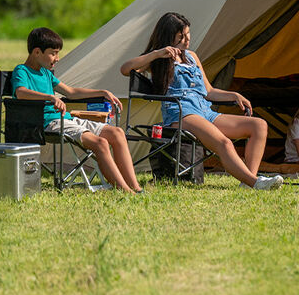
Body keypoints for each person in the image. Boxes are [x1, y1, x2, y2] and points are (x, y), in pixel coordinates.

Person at [119, 12, 281, 191]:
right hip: (182, 113)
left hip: (204, 110)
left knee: (259, 125)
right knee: (224, 143)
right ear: (168, 37)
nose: (187, 40)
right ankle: (256, 182)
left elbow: (209, 91)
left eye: (188, 34)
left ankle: (248, 181)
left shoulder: (192, 57)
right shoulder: (158, 59)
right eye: (181, 37)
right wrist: (156, 53)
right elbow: (126, 69)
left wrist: (234, 95)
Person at [12, 27, 143, 193]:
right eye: (53, 53)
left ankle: (136, 187)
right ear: (37, 52)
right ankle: (125, 190)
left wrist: (102, 92)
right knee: (100, 142)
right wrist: (50, 97)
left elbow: (71, 93)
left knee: (117, 133)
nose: (57, 58)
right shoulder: (21, 71)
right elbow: (20, 92)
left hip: (65, 119)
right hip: (46, 123)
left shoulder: (46, 73)